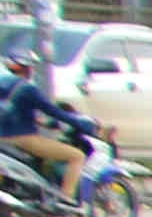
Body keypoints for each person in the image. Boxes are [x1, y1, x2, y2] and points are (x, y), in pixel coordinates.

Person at [1, 48, 101, 199]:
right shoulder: (28, 89)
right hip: (25, 140)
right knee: (77, 156)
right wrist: (79, 122)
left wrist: (42, 123)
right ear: (27, 68)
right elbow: (53, 111)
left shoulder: (3, 85)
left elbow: (15, 112)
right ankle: (66, 198)